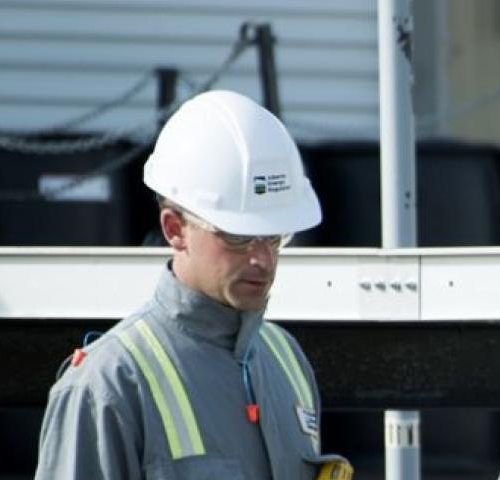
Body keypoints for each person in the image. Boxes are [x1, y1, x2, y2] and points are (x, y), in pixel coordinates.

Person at [34, 90, 351, 479]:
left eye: (274, 236)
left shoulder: (286, 360)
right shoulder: (107, 386)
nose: (262, 259)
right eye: (237, 236)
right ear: (174, 229)